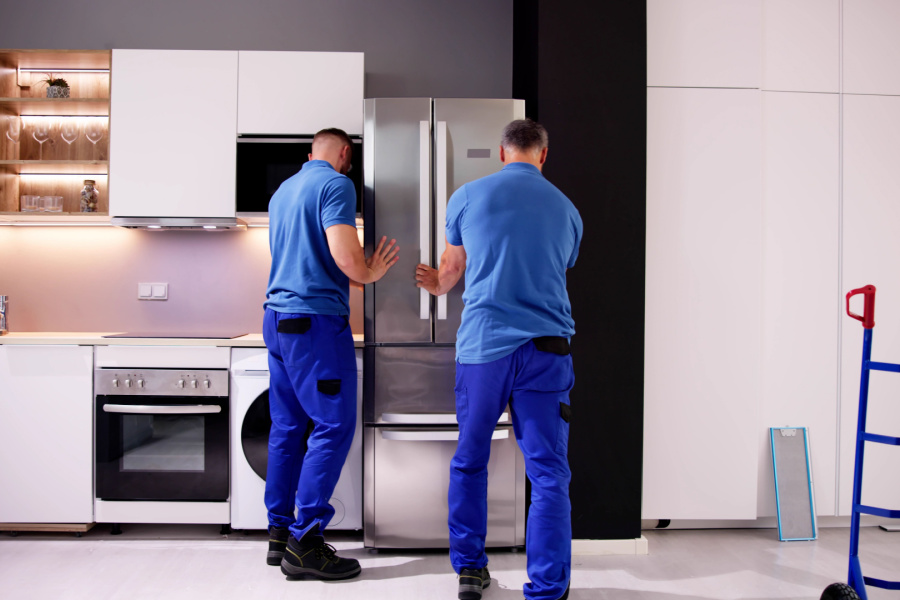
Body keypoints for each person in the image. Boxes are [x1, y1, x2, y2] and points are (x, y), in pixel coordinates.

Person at [415, 118, 583, 600]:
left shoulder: (467, 196)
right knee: (548, 472)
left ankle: (470, 571)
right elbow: (559, 264)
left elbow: (450, 270)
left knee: (470, 459)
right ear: (542, 155)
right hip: (546, 351)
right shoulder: (567, 209)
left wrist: (435, 284)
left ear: (502, 152)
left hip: (485, 349)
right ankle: (549, 588)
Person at [264, 127, 398, 580]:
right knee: (334, 424)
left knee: (287, 427)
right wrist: (370, 272)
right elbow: (345, 256)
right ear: (345, 154)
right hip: (315, 324)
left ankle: (279, 534)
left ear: (310, 153)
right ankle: (306, 543)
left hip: (278, 320)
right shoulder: (335, 184)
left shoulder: (284, 190)